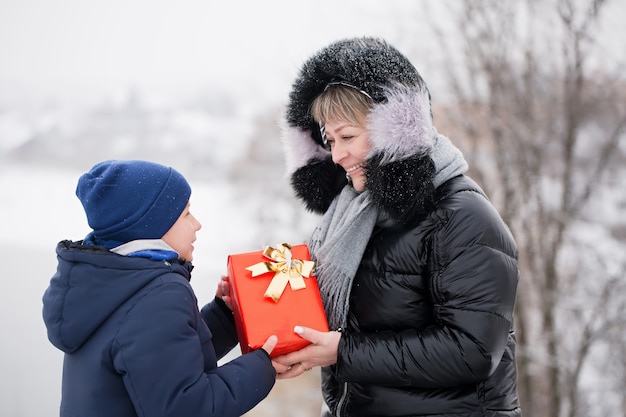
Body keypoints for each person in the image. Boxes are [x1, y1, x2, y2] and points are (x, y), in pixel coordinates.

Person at [274, 37, 522, 416]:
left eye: (348, 137)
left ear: (395, 129)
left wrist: (342, 352)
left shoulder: (462, 217)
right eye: (329, 140)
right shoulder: (355, 215)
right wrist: (252, 301)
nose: (337, 155)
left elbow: (471, 351)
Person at [42, 160, 277, 417]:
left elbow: (159, 359)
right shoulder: (159, 295)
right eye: (186, 213)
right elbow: (187, 408)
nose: (197, 224)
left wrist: (223, 316)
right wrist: (262, 365)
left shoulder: (107, 281)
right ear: (152, 225)